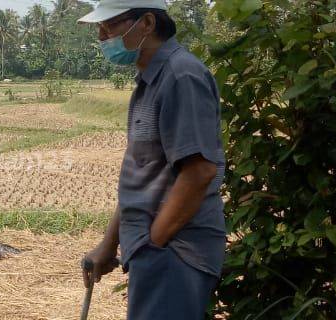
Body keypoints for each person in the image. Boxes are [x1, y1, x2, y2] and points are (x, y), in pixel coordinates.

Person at [77, 0, 226, 319]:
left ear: (146, 23)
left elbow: (199, 172)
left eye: (111, 25)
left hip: (174, 252)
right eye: (100, 28)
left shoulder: (181, 76)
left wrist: (153, 244)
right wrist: (110, 244)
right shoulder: (149, 81)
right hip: (155, 251)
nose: (102, 36)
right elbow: (143, 175)